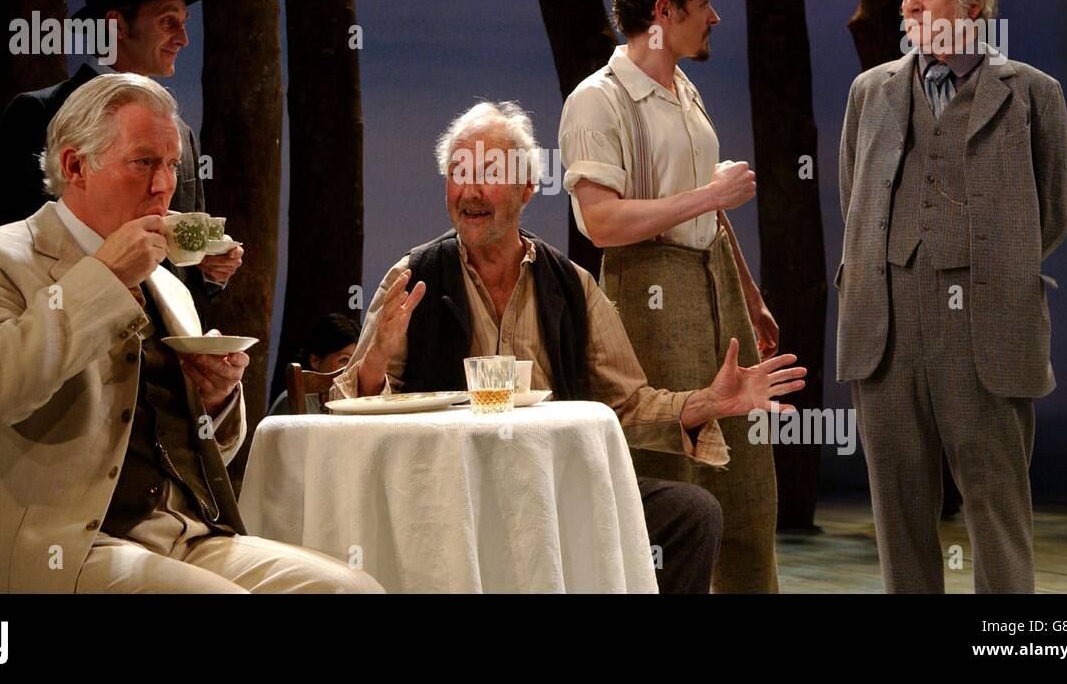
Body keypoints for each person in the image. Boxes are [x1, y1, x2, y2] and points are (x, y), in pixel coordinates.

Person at [330, 101, 806, 593]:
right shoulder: (413, 278)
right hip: (448, 497)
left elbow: (625, 405)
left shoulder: (571, 286)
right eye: (458, 172)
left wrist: (711, 401)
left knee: (691, 514)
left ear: (527, 190)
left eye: (489, 173)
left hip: (555, 490)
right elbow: (353, 412)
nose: (469, 191)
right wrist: (376, 360)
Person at [0, 73, 381, 593]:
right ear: (76, 165)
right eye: (144, 162)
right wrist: (104, 276)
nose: (164, 184)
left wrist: (215, 400)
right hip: (60, 544)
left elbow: (205, 447)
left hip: (182, 534)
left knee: (352, 589)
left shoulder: (170, 287)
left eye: (171, 165)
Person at [837, 0, 1067, 593]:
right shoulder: (870, 92)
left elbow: (1051, 208)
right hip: (885, 325)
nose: (910, 3)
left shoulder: (1031, 93)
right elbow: (856, 197)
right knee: (898, 510)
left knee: (996, 507)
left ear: (972, 2)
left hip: (987, 323)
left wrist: (988, 266)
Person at [558, 0, 785, 592]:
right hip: (652, 293)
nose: (714, 15)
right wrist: (712, 196)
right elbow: (601, 224)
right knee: (674, 466)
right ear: (664, 11)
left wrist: (749, 292)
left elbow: (702, 207)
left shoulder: (683, 87)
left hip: (713, 280)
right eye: (705, 1)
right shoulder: (599, 99)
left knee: (746, 483)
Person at [0, 0, 242, 306]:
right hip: (70, 337)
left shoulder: (179, 132)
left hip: (164, 349)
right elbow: (13, 245)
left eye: (184, 23)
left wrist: (207, 267)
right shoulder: (39, 112)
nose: (183, 38)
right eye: (168, 22)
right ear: (116, 26)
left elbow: (181, 272)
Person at [268, 313, 361, 415]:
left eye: (355, 361)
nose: (351, 368)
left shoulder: (354, 402)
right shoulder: (290, 402)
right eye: (344, 360)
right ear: (315, 361)